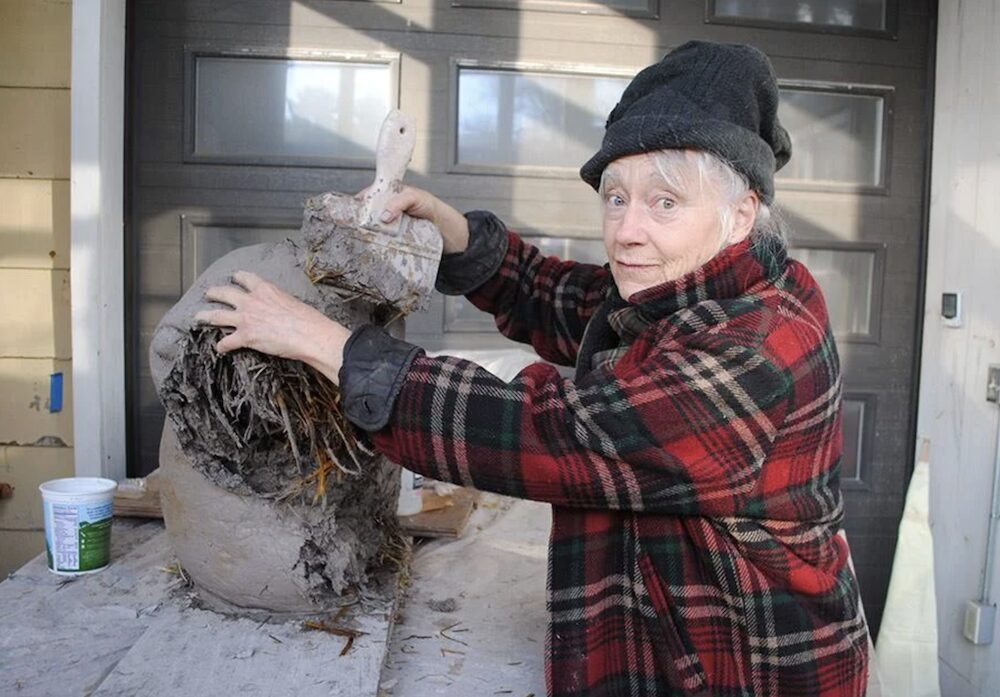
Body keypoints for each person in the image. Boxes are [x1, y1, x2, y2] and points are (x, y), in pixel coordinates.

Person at [197, 41, 870, 696]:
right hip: (671, 642)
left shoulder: (758, 347)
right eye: (616, 198)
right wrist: (454, 237)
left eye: (664, 202)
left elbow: (552, 434)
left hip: (748, 672)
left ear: (740, 213)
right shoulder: (690, 288)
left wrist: (333, 347)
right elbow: (565, 298)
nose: (627, 231)